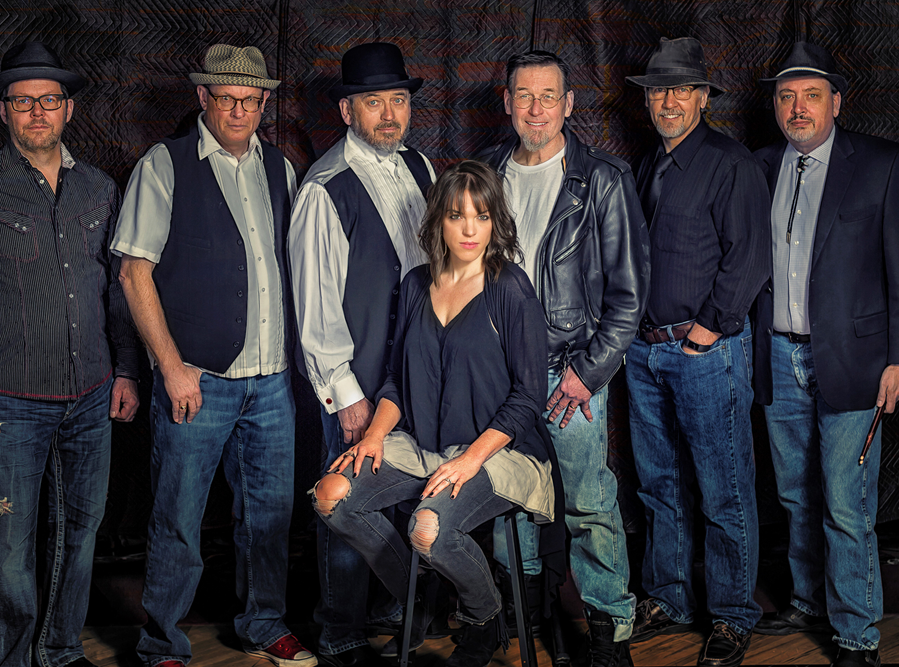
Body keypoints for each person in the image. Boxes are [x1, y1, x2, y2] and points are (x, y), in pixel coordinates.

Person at [0, 41, 140, 667]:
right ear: (4, 111)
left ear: (69, 108)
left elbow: (118, 290)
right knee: (8, 546)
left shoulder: (99, 189)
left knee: (80, 533)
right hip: (9, 401)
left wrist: (127, 370)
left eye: (49, 100)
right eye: (23, 102)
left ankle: (60, 651)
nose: (37, 113)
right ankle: (14, 660)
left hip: (92, 395)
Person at [111, 44, 312, 667]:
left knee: (270, 515)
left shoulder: (281, 168)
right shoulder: (164, 164)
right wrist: (170, 367)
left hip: (272, 381)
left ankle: (264, 624)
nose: (239, 111)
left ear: (264, 102)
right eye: (227, 98)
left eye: (251, 100)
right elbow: (133, 273)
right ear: (203, 97)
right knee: (178, 516)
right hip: (198, 379)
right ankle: (162, 643)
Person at [312, 159, 554, 667]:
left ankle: (484, 618)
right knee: (332, 496)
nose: (470, 229)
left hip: (498, 450)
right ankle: (422, 597)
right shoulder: (416, 284)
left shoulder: (510, 288)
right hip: (424, 443)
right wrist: (374, 436)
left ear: (495, 221)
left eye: (482, 216)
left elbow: (529, 397)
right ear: (437, 221)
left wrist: (469, 461)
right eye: (456, 215)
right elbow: (397, 380)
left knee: (428, 529)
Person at [750, 42, 899, 667]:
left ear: (836, 103)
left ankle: (856, 634)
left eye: (812, 96)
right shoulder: (760, 166)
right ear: (776, 106)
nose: (799, 108)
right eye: (787, 97)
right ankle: (808, 600)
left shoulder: (881, 164)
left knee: (846, 502)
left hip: (858, 361)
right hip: (778, 356)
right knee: (795, 494)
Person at [477, 50, 650, 667]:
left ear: (569, 103)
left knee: (588, 503)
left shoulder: (602, 180)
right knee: (510, 496)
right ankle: (527, 615)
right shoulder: (486, 173)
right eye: (524, 95)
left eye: (548, 96)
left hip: (568, 371)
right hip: (501, 373)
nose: (536, 109)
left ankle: (609, 635)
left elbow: (629, 296)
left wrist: (588, 373)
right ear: (507, 102)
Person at [622, 37, 771, 667]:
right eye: (660, 91)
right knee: (659, 484)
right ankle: (669, 597)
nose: (669, 102)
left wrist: (709, 328)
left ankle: (732, 614)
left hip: (706, 352)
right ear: (648, 100)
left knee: (723, 487)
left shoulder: (731, 163)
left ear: (704, 97)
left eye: (682, 90)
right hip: (645, 352)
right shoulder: (647, 163)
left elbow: (751, 255)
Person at [288, 41, 435, 666]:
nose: (389, 114)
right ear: (347, 111)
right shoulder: (326, 188)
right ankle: (341, 633)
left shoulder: (421, 168)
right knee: (345, 502)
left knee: (403, 494)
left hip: (415, 376)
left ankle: (394, 611)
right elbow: (315, 308)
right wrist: (345, 396)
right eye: (374, 103)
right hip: (360, 382)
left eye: (398, 100)